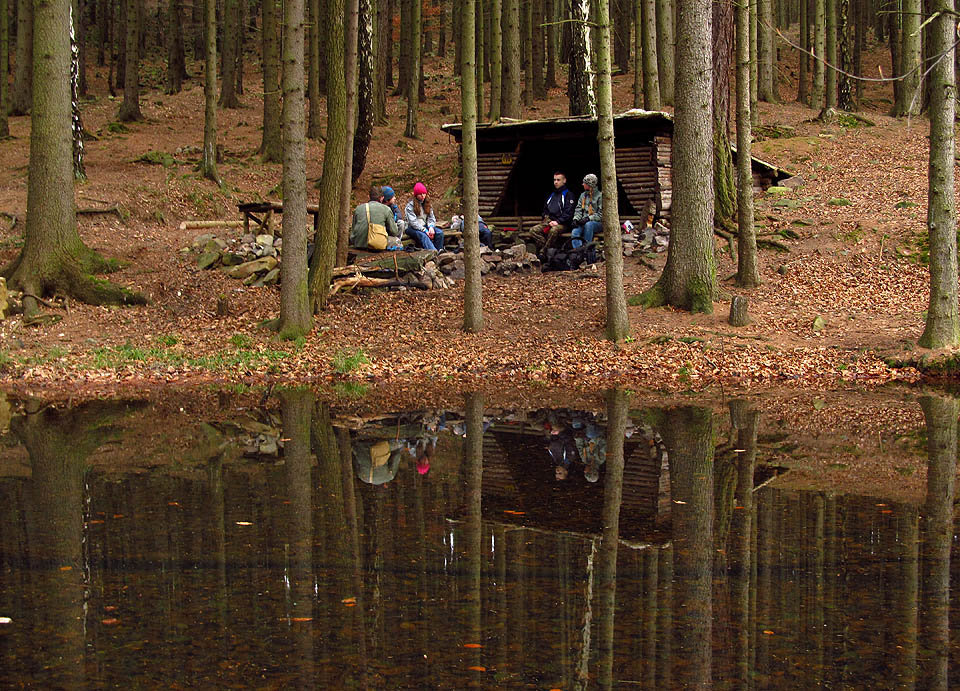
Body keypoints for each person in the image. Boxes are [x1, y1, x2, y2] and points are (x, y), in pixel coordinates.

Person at [527, 171, 576, 255]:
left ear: (564, 181)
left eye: (558, 180)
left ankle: (544, 252)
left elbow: (569, 212)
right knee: (533, 230)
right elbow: (545, 209)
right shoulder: (552, 195)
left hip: (563, 223)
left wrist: (558, 221)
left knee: (553, 231)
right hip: (550, 221)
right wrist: (546, 218)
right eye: (554, 180)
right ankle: (547, 248)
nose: (556, 182)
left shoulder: (568, 195)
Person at [349, 185, 401, 250]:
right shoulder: (386, 209)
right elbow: (394, 232)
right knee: (397, 241)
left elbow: (353, 231)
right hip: (376, 243)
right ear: (382, 198)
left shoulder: (358, 208)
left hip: (358, 243)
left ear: (369, 196)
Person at [404, 182, 444, 251]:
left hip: (425, 225)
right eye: (420, 194)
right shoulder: (410, 206)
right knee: (423, 236)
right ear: (416, 195)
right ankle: (434, 252)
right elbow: (413, 222)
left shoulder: (427, 204)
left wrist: (431, 227)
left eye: (424, 193)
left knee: (439, 233)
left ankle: (439, 250)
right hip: (412, 228)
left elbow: (431, 217)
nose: (423, 196)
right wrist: (425, 230)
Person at [571, 173, 602, 249]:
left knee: (589, 225)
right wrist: (576, 219)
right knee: (575, 232)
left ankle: (587, 249)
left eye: (584, 183)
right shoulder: (583, 195)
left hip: (597, 223)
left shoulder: (600, 196)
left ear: (589, 185)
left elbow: (601, 215)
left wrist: (588, 218)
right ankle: (579, 252)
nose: (582, 184)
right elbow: (578, 209)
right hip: (583, 221)